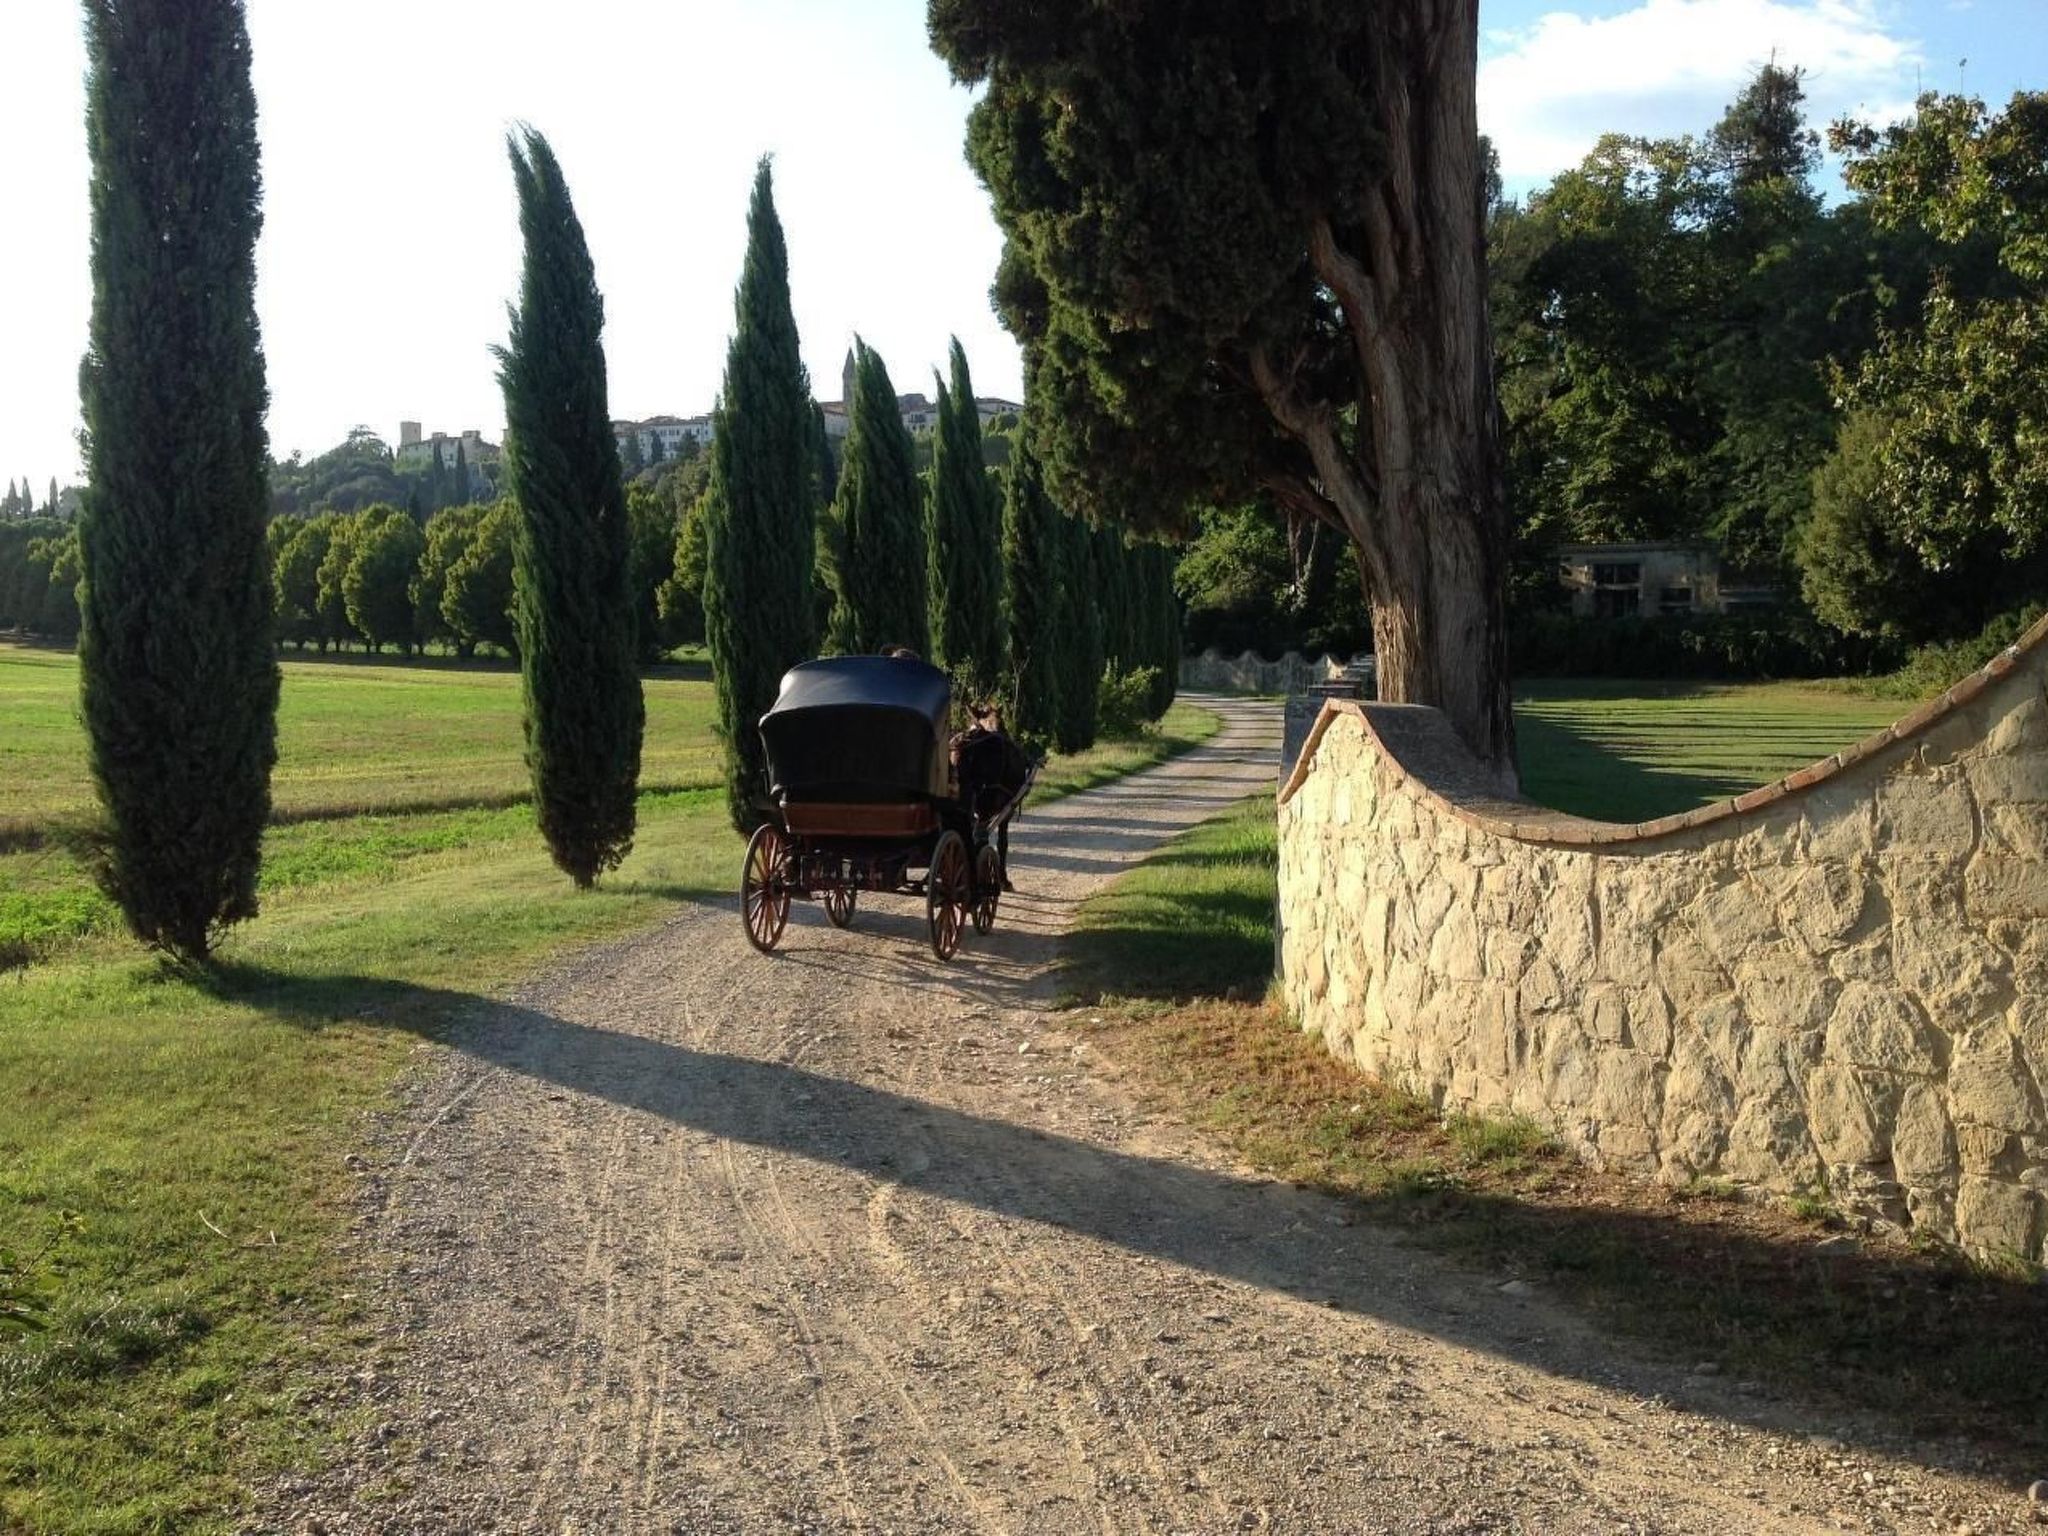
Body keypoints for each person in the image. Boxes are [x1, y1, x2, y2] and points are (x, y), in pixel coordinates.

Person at [951, 701, 1029, 890]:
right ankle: (1000, 875)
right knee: (1001, 829)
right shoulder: (996, 745)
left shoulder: (960, 743)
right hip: (985, 795)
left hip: (959, 797)